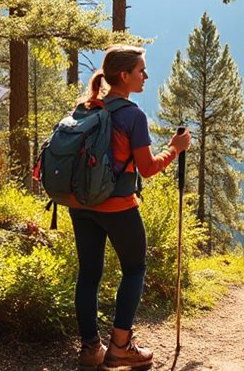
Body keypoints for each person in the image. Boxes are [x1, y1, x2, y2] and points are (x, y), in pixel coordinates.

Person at [71, 45, 191, 371]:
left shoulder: (87, 107)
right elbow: (148, 167)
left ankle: (90, 349)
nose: (146, 76)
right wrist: (175, 149)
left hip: (80, 204)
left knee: (89, 274)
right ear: (124, 75)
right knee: (135, 269)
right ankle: (121, 347)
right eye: (141, 71)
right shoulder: (132, 115)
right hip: (118, 205)